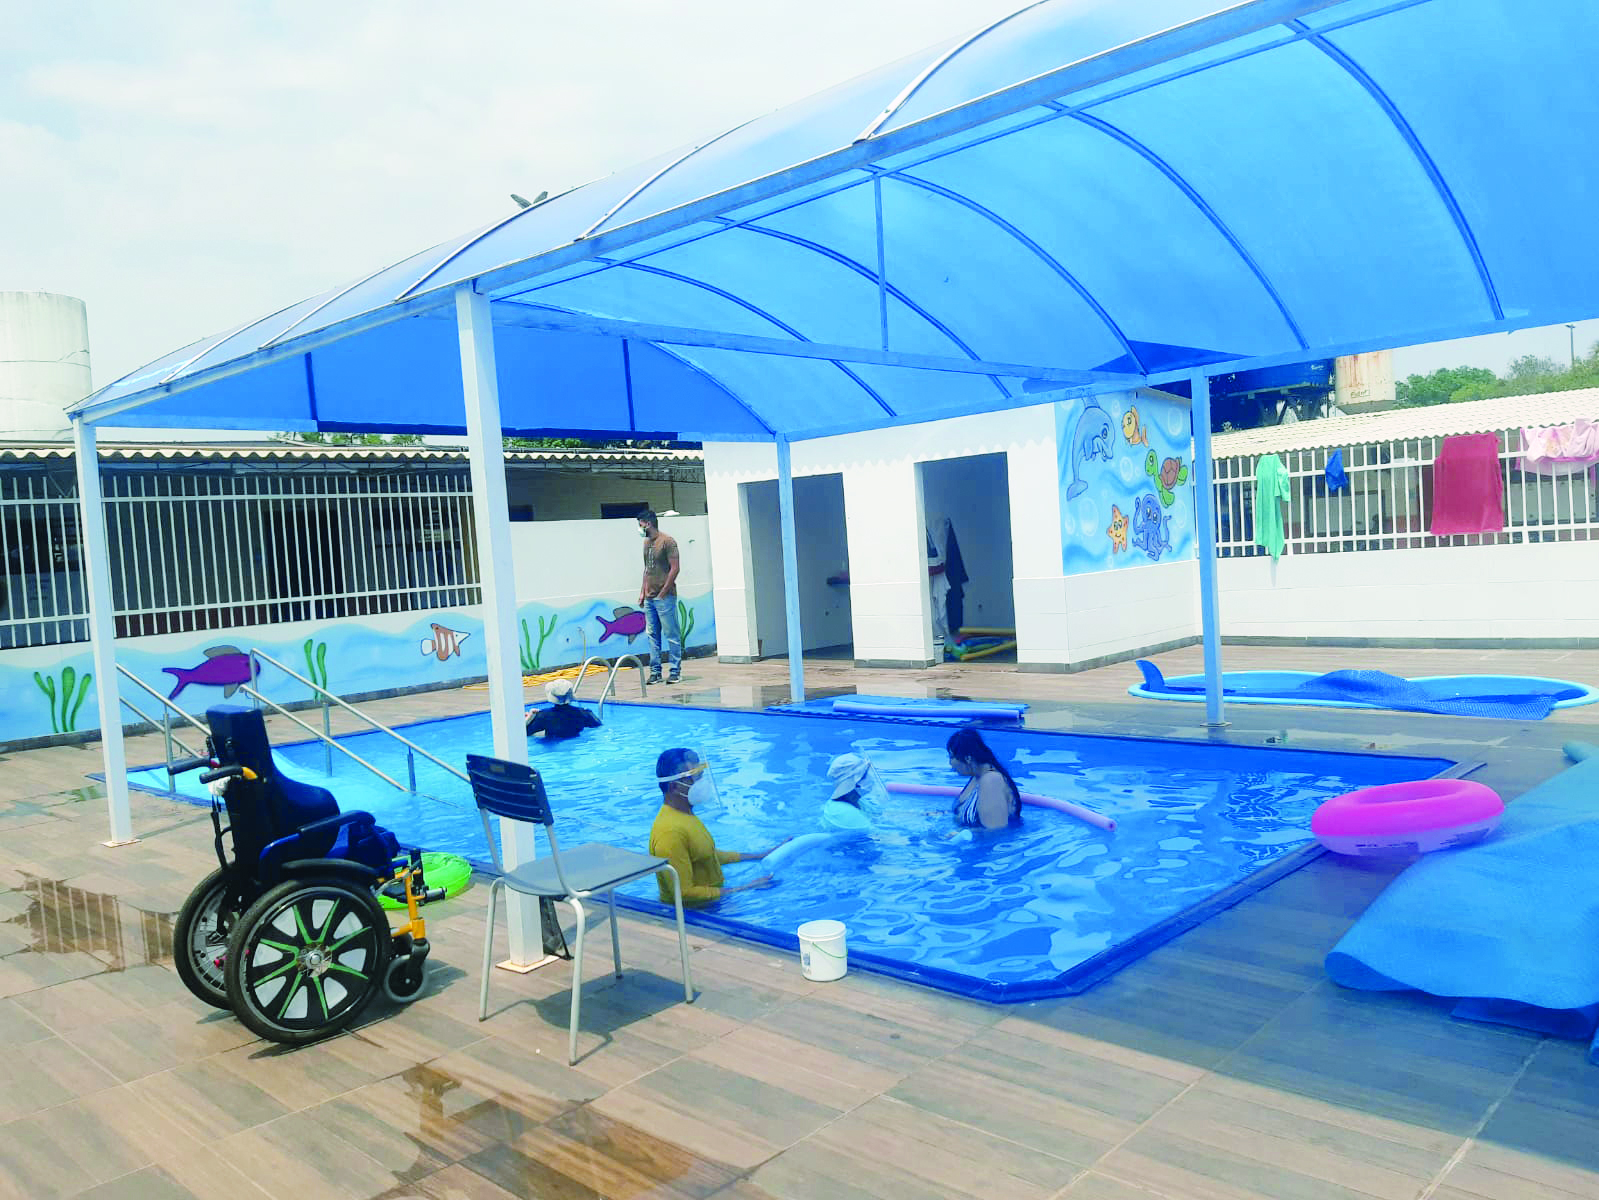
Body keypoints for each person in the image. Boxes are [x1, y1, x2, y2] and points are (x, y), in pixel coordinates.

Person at [648, 748, 780, 906]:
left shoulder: (684, 814)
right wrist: (745, 889)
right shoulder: (670, 832)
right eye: (695, 777)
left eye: (701, 774)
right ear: (674, 787)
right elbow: (683, 893)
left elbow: (704, 854)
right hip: (695, 914)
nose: (702, 782)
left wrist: (758, 856)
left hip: (711, 903)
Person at [637, 510, 683, 685]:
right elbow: (647, 569)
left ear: (648, 523)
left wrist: (664, 591)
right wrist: (642, 592)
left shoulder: (667, 541)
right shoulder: (646, 543)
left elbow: (675, 568)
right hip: (650, 598)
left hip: (665, 597)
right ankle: (655, 672)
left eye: (640, 524)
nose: (639, 528)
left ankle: (675, 671)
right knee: (652, 635)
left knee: (671, 634)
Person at [946, 727, 1022, 830]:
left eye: (951, 757)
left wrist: (955, 835)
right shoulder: (977, 777)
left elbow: (995, 831)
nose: (950, 763)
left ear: (968, 758)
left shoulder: (991, 781)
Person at [524, 677, 600, 740]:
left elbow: (525, 733)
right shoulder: (584, 713)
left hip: (552, 745)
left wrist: (530, 717)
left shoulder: (542, 716)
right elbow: (598, 725)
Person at [821, 753, 876, 832]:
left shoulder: (857, 801)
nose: (869, 777)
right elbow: (874, 835)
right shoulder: (844, 812)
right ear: (856, 782)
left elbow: (877, 815)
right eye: (865, 775)